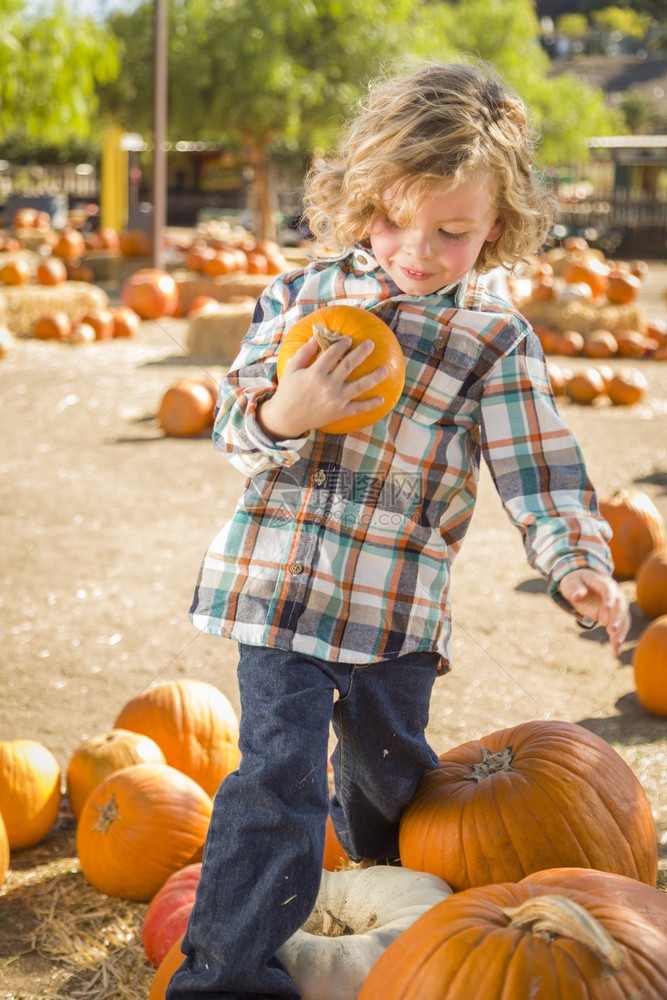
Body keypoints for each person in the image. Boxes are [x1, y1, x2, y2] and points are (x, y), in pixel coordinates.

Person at [167, 60, 630, 999]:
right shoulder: (297, 300)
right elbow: (231, 429)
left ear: (495, 223)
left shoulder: (491, 341)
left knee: (392, 790)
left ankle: (403, 953)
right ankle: (223, 980)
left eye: (450, 231)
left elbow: (536, 465)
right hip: (280, 599)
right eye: (389, 219)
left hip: (392, 618)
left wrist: (575, 559)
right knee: (273, 785)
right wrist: (284, 414)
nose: (414, 250)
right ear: (357, 197)